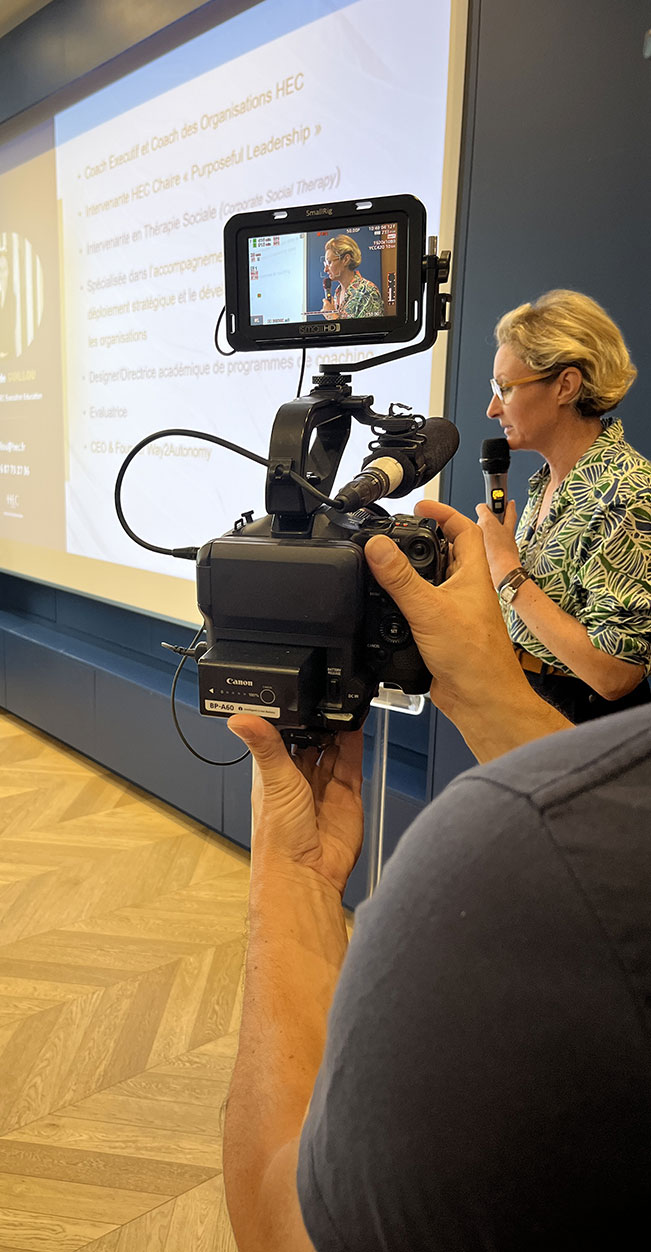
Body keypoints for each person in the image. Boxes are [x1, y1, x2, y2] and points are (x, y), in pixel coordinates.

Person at [222, 499, 651, 1251]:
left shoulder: (490, 855)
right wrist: (489, 692)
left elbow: (288, 1227)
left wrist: (293, 879)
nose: (493, 402)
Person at [476, 289, 651, 722]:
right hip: (530, 696)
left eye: (505, 388)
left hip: (585, 722)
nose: (492, 408)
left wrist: (507, 572)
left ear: (566, 385)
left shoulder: (626, 494)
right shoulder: (548, 483)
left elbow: (614, 674)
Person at [320, 235, 385, 320]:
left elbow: (370, 331)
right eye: (325, 264)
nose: (325, 269)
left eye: (329, 262)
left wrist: (332, 316)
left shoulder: (368, 292)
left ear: (346, 260)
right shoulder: (338, 292)